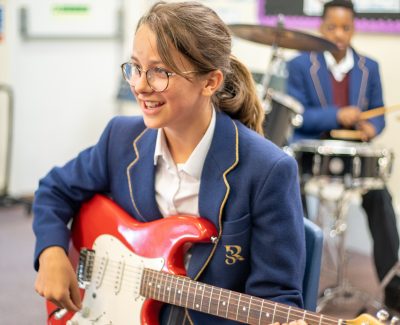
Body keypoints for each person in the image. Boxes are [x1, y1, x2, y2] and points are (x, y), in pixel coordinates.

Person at [33, 2, 307, 324]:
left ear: (210, 82)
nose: (140, 85)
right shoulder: (120, 139)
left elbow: (276, 299)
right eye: (135, 67)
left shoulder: (267, 170)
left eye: (160, 72)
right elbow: (54, 190)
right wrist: (51, 251)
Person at [286, 0, 400, 313]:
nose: (338, 34)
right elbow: (298, 117)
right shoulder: (299, 65)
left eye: (345, 28)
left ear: (354, 29)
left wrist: (369, 126)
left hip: (355, 157)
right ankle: (299, 284)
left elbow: (379, 116)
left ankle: (394, 290)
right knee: (292, 198)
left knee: (381, 199)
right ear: (320, 28)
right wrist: (338, 114)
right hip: (311, 157)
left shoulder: (369, 67)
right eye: (331, 27)